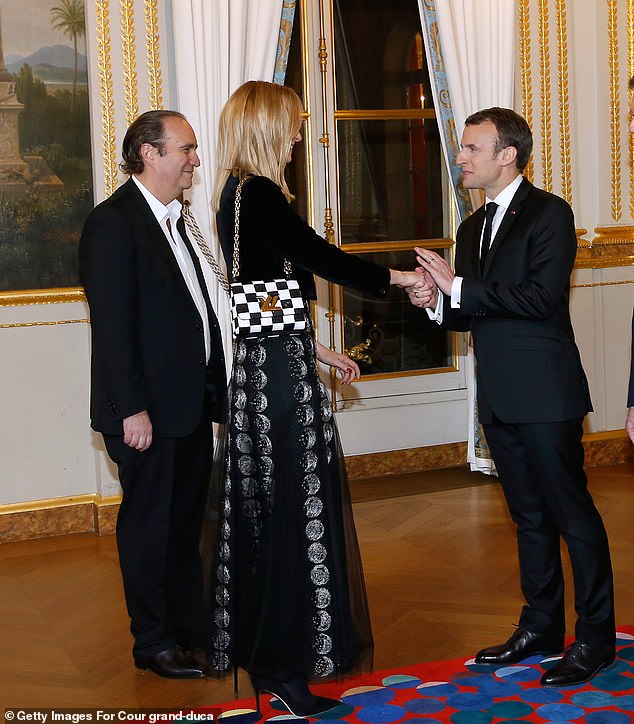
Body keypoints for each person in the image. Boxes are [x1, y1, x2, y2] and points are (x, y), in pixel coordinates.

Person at [206, 80, 431, 716]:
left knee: (273, 510)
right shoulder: (260, 193)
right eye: (295, 123)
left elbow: (259, 296)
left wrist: (314, 351)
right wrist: (400, 278)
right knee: (288, 515)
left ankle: (274, 662)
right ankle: (280, 667)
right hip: (277, 379)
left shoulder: (237, 194)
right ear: (269, 127)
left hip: (267, 365)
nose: (302, 133)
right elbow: (321, 259)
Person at [409, 107, 616, 687]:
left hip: (547, 393)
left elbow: (540, 299)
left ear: (507, 155)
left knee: (572, 517)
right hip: (499, 395)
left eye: (473, 148)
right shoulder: (472, 227)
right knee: (527, 517)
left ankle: (596, 637)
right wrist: (435, 298)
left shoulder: (551, 213)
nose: (461, 158)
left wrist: (461, 286)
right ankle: (541, 627)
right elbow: (472, 314)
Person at [79, 110, 226, 678]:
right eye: (185, 149)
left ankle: (188, 631)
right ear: (149, 153)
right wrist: (132, 408)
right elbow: (113, 329)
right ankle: (153, 645)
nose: (194, 159)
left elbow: (192, 313)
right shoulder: (113, 223)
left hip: (187, 407)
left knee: (183, 526)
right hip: (146, 414)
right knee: (148, 529)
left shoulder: (178, 220)